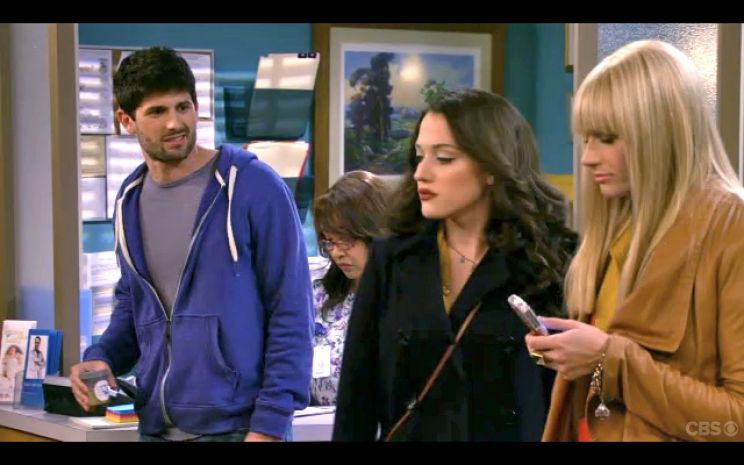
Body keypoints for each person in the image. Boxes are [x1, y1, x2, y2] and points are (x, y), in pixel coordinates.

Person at [69, 46, 314, 442]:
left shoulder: (252, 187)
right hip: (156, 427)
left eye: (183, 107)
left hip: (239, 428)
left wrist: (270, 424)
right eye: (157, 111)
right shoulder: (130, 200)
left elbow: (291, 311)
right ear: (126, 120)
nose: (175, 123)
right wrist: (103, 357)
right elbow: (133, 305)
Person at [525, 40, 744, 442]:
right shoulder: (615, 228)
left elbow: (736, 423)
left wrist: (609, 359)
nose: (588, 157)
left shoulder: (731, 227)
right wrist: (575, 353)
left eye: (607, 138)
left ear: (660, 134)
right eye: (585, 139)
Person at [333, 89, 577, 441]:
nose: (421, 173)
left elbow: (566, 396)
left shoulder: (546, 261)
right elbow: (355, 400)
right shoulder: (392, 260)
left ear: (492, 167)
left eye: (444, 158)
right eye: (419, 156)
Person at [310, 170, 389, 406]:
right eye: (329, 241)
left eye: (345, 240)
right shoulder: (317, 292)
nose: (336, 252)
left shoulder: (404, 297)